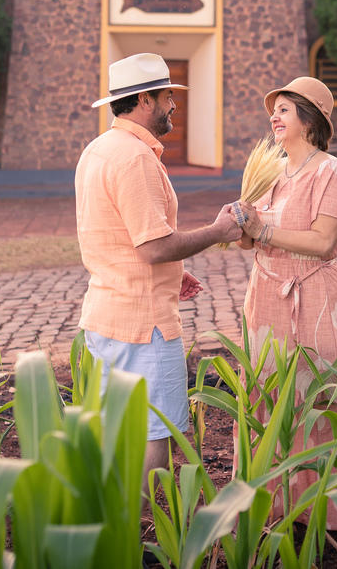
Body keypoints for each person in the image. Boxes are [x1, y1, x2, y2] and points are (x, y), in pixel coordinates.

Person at [76, 52, 242, 490]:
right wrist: (219, 231)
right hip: (143, 324)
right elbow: (153, 247)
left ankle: (116, 517)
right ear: (146, 100)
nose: (173, 105)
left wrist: (173, 272)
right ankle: (142, 524)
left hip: (108, 315)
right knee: (157, 432)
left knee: (119, 425)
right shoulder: (135, 158)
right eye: (168, 96)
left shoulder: (98, 149)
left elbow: (115, 235)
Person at [235, 76, 337, 529]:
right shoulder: (269, 172)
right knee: (264, 392)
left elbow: (324, 242)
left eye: (284, 109)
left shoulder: (332, 171)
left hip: (313, 294)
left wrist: (262, 229)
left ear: (309, 120)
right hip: (264, 293)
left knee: (316, 394)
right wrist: (240, 222)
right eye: (275, 109)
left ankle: (325, 511)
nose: (274, 116)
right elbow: (249, 241)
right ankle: (270, 505)